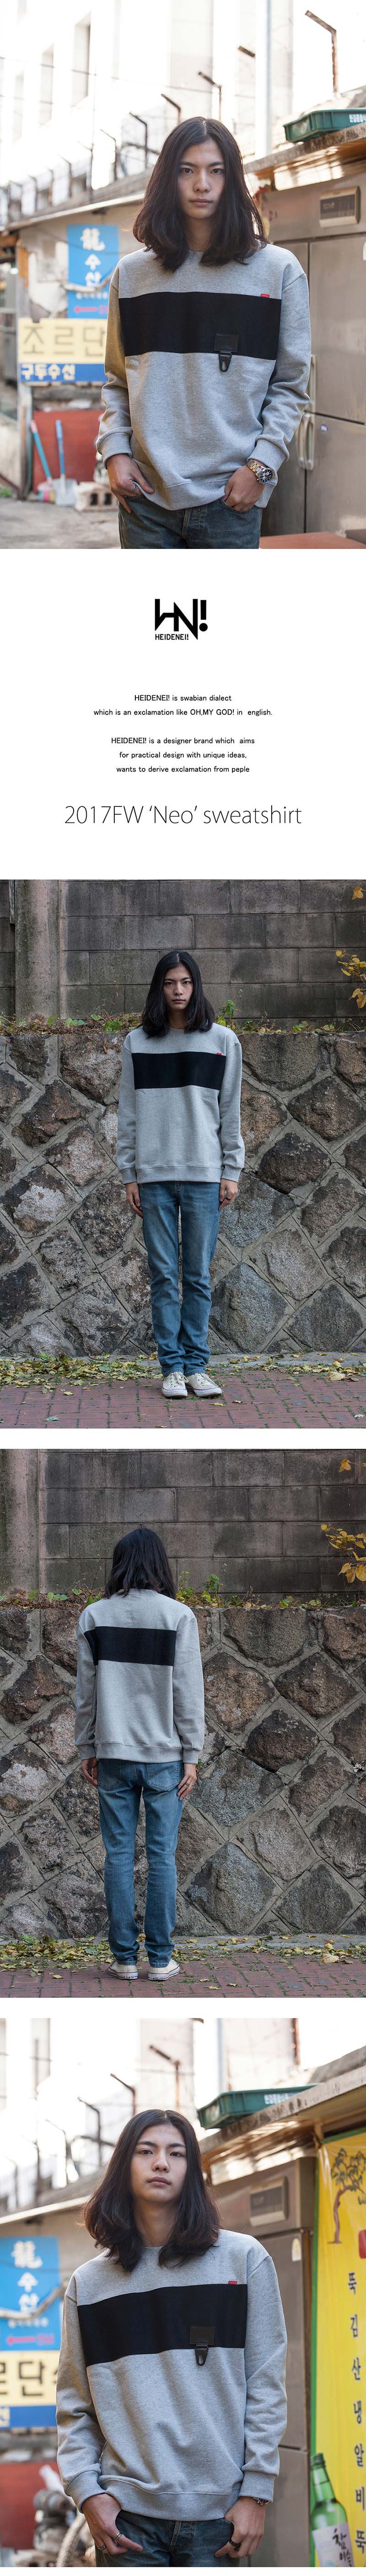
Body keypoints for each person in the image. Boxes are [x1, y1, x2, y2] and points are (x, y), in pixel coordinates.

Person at [56, 2107, 287, 2567]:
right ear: (124, 2166)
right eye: (146, 2151)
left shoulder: (244, 2261)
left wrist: (256, 2493)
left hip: (219, 2517)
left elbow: (265, 2385)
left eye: (176, 2153)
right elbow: (75, 2405)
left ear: (192, 2170)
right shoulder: (89, 2285)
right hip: (127, 2519)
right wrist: (88, 2494)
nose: (161, 2162)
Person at [99, 116, 311, 551]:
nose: (202, 184)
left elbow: (290, 386)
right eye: (187, 170)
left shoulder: (278, 271)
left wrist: (261, 468)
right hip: (146, 500)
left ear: (233, 180)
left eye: (216, 170)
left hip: (231, 501)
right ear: (168, 179)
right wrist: (115, 452)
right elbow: (119, 382)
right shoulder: (133, 275)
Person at [75, 1525, 204, 1979]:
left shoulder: (94, 1616)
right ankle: (162, 1960)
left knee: (118, 1855)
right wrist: (192, 1754)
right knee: (162, 1856)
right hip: (167, 1758)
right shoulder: (178, 1616)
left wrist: (87, 1745)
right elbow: (188, 1692)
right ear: (160, 1564)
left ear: (120, 1563)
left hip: (113, 1755)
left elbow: (85, 1694)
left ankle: (125, 1960)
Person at [117, 951, 245, 1398]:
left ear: (196, 986)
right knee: (163, 1275)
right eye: (170, 982)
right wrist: (129, 1174)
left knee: (197, 1276)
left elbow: (230, 1112)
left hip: (204, 1175)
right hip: (152, 1177)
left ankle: (196, 1367)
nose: (178, 990)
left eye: (186, 982)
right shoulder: (137, 1043)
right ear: (160, 987)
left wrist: (231, 1170)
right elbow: (128, 1115)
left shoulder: (223, 1041)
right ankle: (171, 1369)